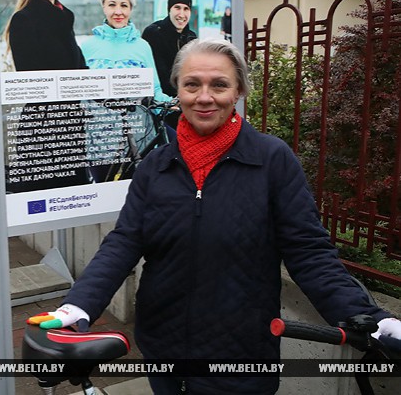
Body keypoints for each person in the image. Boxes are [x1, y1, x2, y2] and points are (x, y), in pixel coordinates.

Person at [28, 39, 401, 394]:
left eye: (219, 85)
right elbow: (125, 240)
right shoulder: (156, 165)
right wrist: (78, 305)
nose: (204, 97)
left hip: (242, 350)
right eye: (192, 84)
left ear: (238, 91)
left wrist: (370, 317)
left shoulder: (271, 160)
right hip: (164, 344)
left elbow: (308, 251)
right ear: (177, 91)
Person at [3, 0, 89, 192]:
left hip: (70, 123)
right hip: (44, 127)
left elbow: (79, 66)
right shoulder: (25, 19)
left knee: (73, 200)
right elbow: (34, 79)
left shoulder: (65, 17)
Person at [80, 0, 173, 182]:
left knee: (139, 194)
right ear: (103, 6)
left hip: (138, 136)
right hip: (100, 139)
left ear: (131, 8)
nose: (118, 11)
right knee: (103, 194)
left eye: (124, 5)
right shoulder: (87, 47)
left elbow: (154, 90)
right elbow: (78, 95)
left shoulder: (142, 47)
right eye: (112, 4)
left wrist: (173, 103)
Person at [142, 0, 197, 98]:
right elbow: (152, 75)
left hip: (186, 102)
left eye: (186, 9)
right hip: (161, 105)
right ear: (169, 9)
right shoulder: (153, 33)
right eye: (177, 8)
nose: (182, 14)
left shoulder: (191, 37)